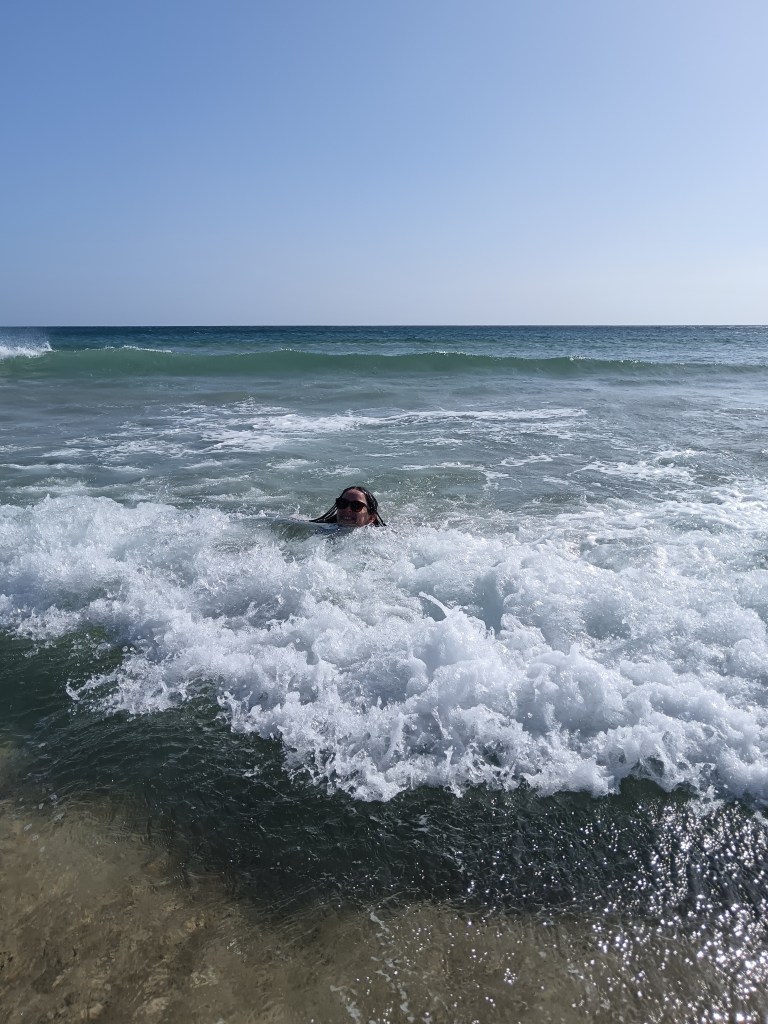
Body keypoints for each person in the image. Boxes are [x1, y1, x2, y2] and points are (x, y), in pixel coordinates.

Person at [311, 486, 386, 528]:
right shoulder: (318, 528)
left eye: (356, 505)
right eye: (342, 503)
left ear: (371, 518)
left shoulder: (384, 540)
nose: (347, 509)